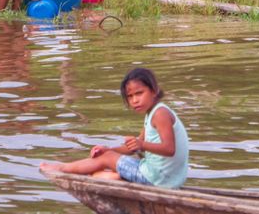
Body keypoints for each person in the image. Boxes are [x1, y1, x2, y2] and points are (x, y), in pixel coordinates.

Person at [41, 67, 189, 189]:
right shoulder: (153, 113)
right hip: (163, 178)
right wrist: (109, 149)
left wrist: (141, 145)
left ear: (154, 90)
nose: (135, 100)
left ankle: (63, 168)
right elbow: (133, 147)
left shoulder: (160, 114)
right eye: (130, 97)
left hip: (158, 179)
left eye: (139, 93)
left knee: (105, 161)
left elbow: (169, 149)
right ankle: (112, 176)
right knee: (105, 157)